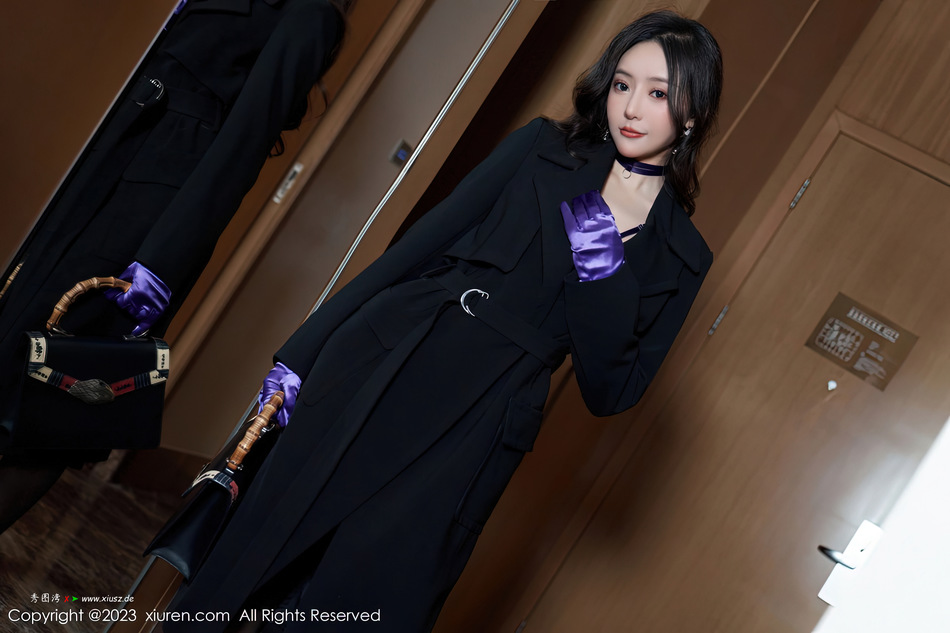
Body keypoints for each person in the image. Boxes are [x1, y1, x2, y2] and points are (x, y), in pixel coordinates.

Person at [168, 9, 723, 632]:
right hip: (395, 358)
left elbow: (611, 390)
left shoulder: (682, 256)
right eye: (622, 84)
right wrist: (301, 353)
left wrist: (601, 258)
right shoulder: (543, 148)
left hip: (483, 423)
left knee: (370, 601)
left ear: (692, 112)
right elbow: (414, 250)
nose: (631, 108)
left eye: (658, 94)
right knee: (258, 553)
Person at [0, 0, 351, 533]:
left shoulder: (309, 13)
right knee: (11, 354)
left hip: (145, 224)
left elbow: (243, 144)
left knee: (59, 405)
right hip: (103, 168)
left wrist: (159, 265)